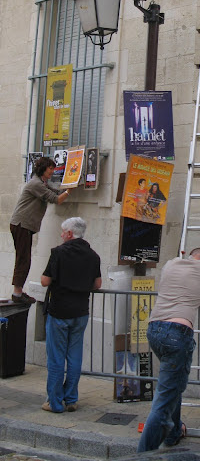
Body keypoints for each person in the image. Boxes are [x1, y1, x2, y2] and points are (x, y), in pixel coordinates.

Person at [137, 247, 200, 452]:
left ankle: (174, 433)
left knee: (172, 385)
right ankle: (143, 455)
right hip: (177, 333)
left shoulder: (171, 263)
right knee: (164, 402)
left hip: (154, 329)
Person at [41, 217, 101, 413]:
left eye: (62, 231)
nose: (61, 235)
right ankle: (72, 399)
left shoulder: (58, 252)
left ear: (68, 233)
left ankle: (55, 402)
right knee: (74, 357)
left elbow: (45, 280)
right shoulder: (93, 256)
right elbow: (97, 284)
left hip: (59, 311)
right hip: (81, 311)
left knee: (56, 358)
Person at [10, 156, 70, 305]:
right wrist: (70, 191)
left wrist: (69, 186)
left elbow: (56, 192)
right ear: (43, 168)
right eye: (50, 168)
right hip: (22, 224)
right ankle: (17, 293)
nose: (52, 171)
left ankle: (18, 291)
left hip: (24, 225)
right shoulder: (36, 184)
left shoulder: (42, 183)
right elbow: (56, 199)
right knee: (23, 259)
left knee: (25, 258)